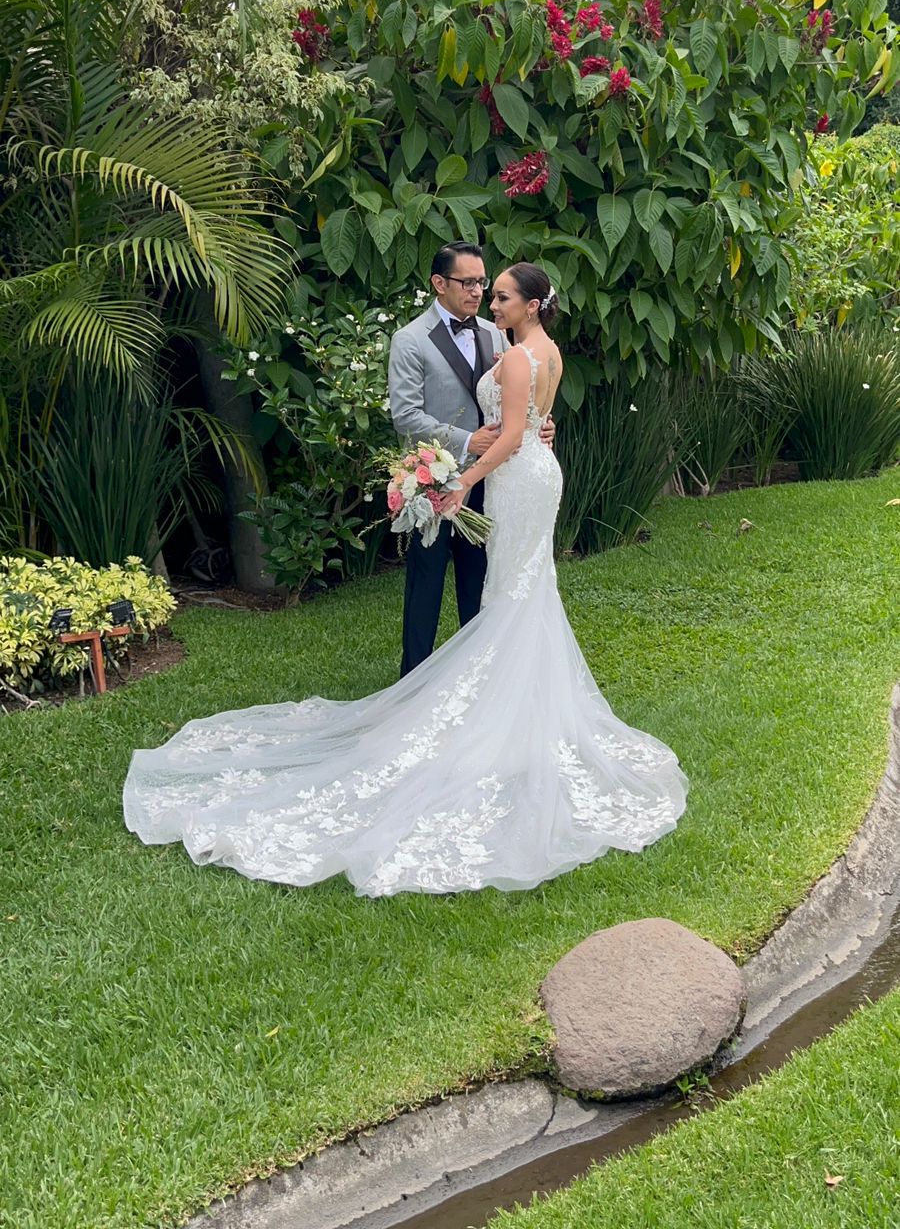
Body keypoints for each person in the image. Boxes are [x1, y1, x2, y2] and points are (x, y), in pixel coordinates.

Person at [123, 262, 687, 897]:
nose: (485, 297)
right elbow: (421, 412)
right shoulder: (442, 339)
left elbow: (517, 422)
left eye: (496, 291)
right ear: (441, 283)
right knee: (510, 593)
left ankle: (491, 715)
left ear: (527, 304)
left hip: (506, 479)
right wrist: (497, 444)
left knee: (507, 596)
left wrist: (476, 472)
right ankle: (448, 696)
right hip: (507, 474)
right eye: (476, 286)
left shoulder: (512, 346)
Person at [388, 240, 550, 674]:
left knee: (479, 582)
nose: (478, 291)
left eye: (482, 282)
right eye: (468, 282)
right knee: (426, 582)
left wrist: (538, 426)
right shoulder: (409, 340)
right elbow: (405, 416)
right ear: (439, 284)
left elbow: (515, 401)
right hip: (436, 480)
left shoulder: (496, 333)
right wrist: (465, 441)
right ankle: (412, 680)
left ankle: (475, 679)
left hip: (494, 479)